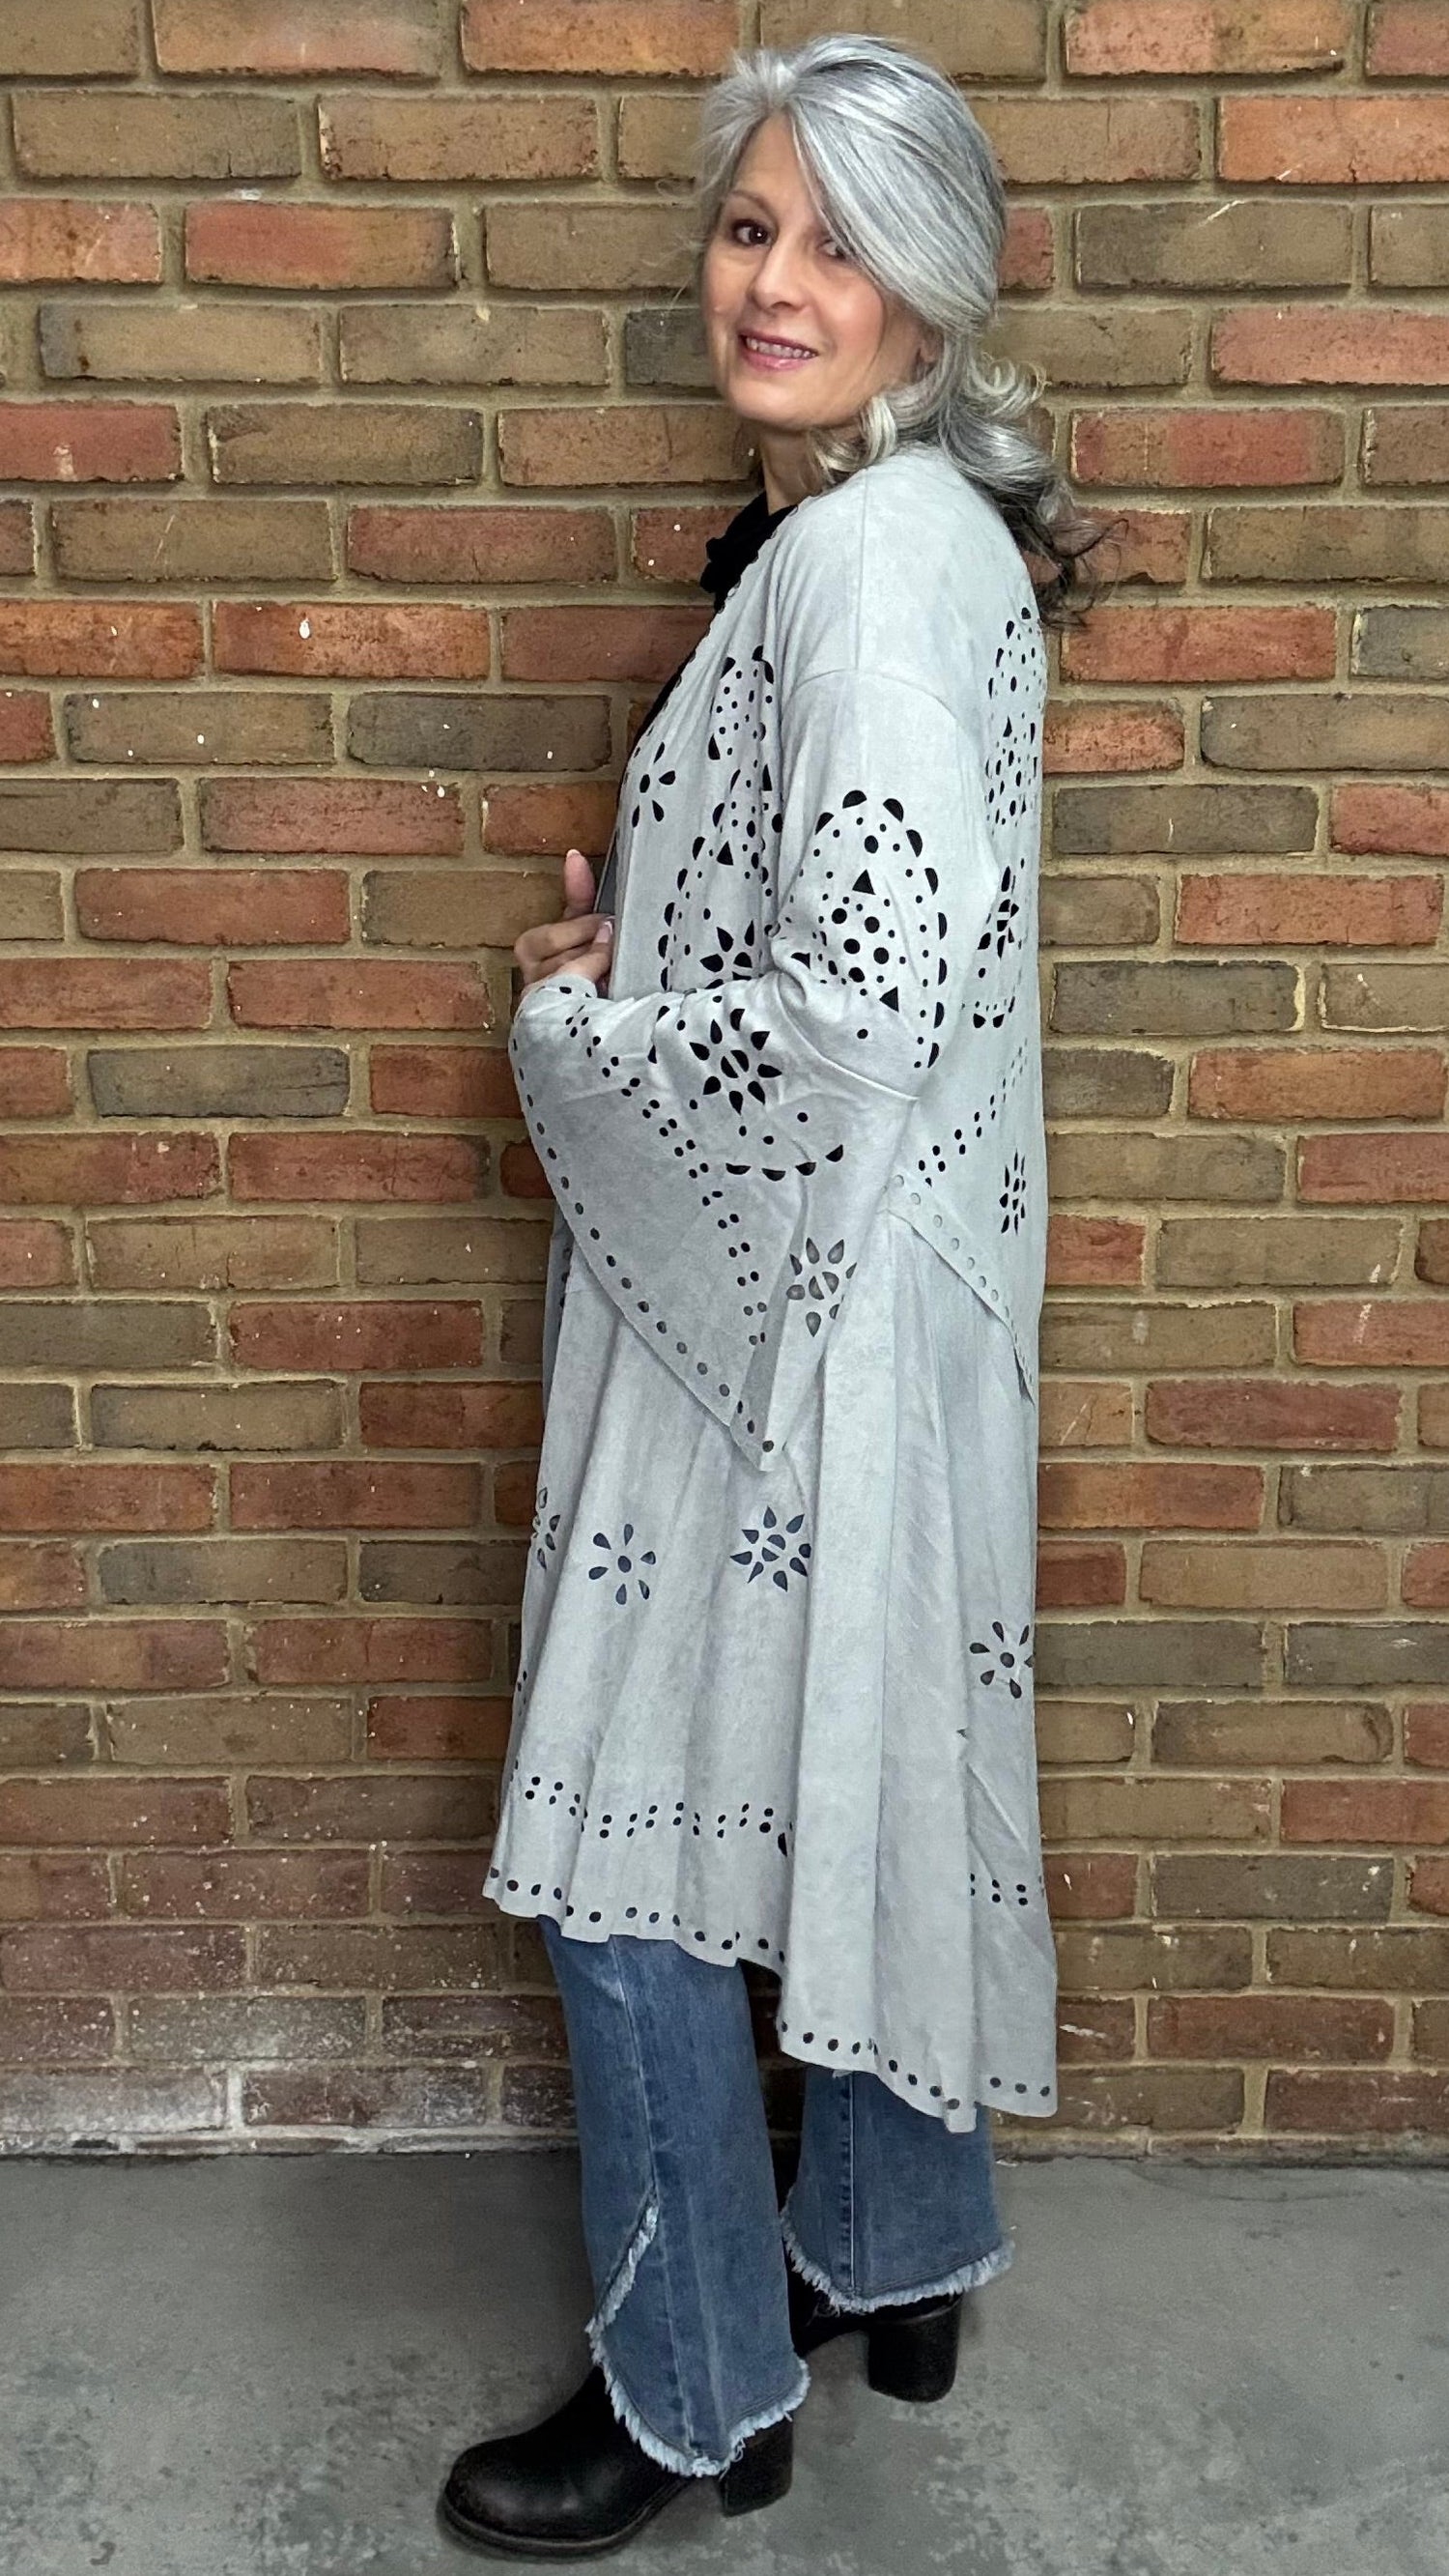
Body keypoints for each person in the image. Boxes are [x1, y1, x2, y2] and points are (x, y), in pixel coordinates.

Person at [439, 30, 1101, 2559]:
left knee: (628, 1870)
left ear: (933, 289)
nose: (775, 277)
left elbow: (861, 1006)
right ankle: (897, 2244)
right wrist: (670, 928)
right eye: (747, 224)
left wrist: (587, 1029)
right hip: (891, 1302)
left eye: (835, 240)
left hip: (789, 1326)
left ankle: (695, 2382)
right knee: (861, 1765)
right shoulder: (913, 533)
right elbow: (866, 938)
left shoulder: (852, 576)